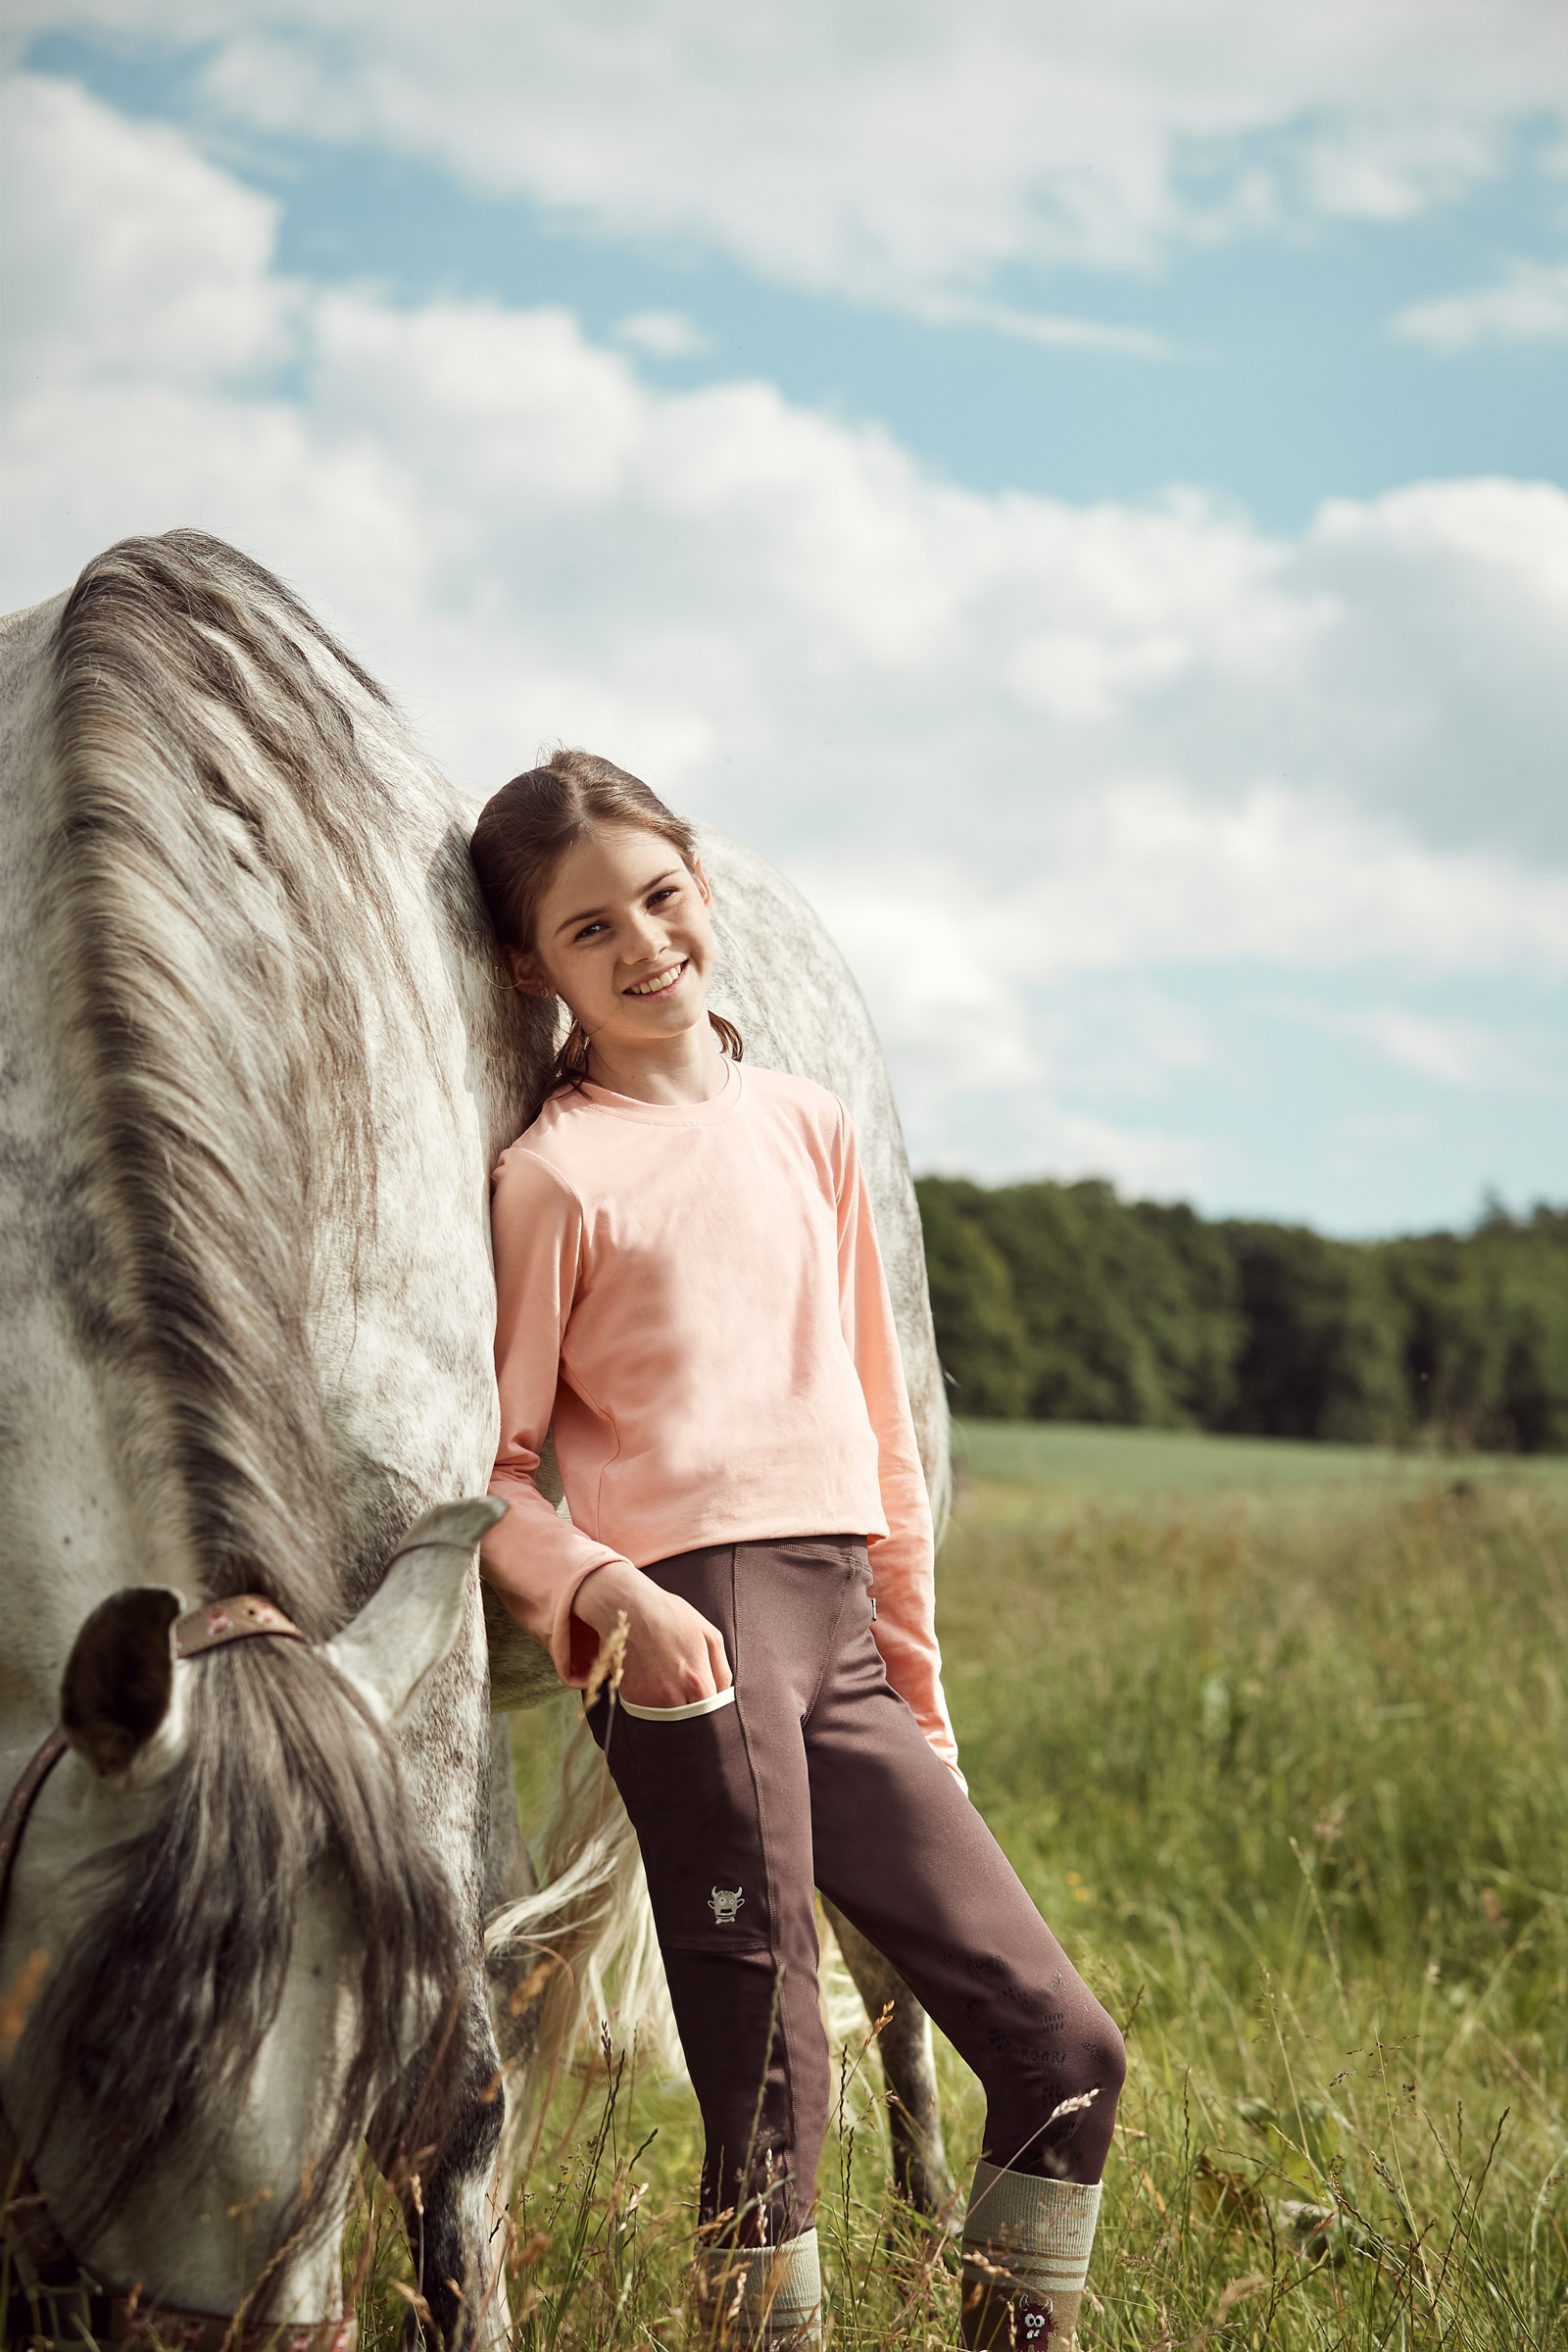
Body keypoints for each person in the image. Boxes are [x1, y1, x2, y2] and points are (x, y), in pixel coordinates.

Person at [470, 750, 1125, 2349]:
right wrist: (607, 1590)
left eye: (660, 897)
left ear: (701, 885)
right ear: (530, 970)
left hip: (840, 1637)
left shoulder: (808, 1127)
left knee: (1064, 2045)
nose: (642, 946)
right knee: (777, 2099)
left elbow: (884, 1445)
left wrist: (920, 1692)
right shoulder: (556, 1176)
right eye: (586, 930)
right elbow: (485, 1476)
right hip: (682, 1639)